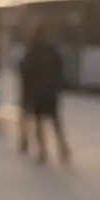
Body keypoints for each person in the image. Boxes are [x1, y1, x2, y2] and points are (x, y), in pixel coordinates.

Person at [18, 26, 70, 164]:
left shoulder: (31, 52)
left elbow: (25, 74)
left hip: (37, 94)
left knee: (39, 123)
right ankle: (62, 149)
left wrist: (25, 98)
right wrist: (57, 87)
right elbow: (60, 69)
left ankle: (43, 151)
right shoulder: (51, 51)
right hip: (50, 93)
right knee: (55, 122)